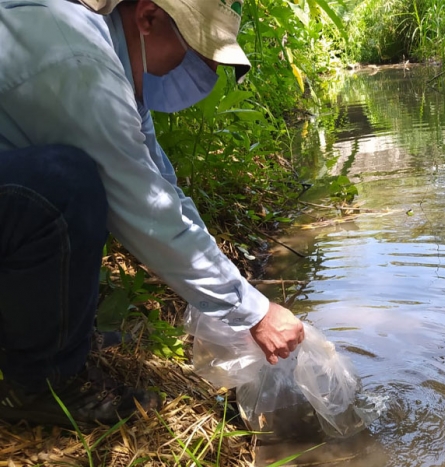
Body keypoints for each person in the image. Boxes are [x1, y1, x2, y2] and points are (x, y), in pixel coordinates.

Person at [0, 0, 304, 427]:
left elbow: (162, 186)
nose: (204, 76)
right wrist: (255, 312)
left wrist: (233, 294)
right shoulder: (83, 64)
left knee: (73, 185)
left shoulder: (109, 58)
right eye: (198, 56)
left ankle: (47, 342)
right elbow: (146, 211)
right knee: (67, 186)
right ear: (148, 17)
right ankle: (40, 386)